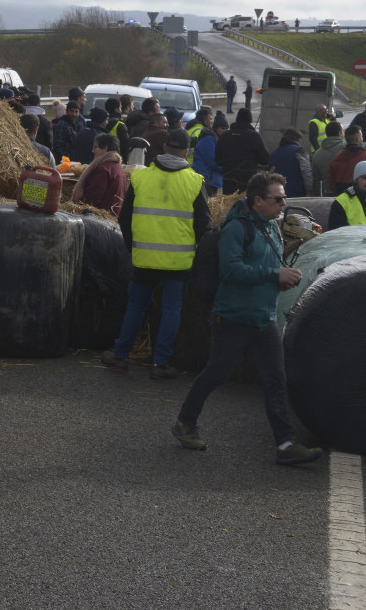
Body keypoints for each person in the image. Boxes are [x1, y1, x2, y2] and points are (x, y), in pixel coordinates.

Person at [172, 172, 324, 466]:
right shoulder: (236, 228)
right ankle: (185, 423)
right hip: (233, 317)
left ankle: (285, 444)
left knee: (276, 380)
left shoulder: (271, 227)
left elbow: (264, 267)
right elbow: (232, 271)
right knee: (217, 373)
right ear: (258, 201)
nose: (283, 204)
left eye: (283, 198)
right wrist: (274, 276)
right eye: (277, 199)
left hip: (263, 318)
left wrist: (281, 280)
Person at [102, 129, 210, 378]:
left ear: (163, 148)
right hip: (178, 260)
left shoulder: (141, 177)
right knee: (172, 309)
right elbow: (204, 225)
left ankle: (121, 355)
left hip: (144, 258)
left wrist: (133, 247)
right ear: (186, 152)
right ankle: (160, 364)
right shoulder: (195, 181)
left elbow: (124, 219)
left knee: (136, 306)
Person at [215, 107, 268, 194]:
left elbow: (218, 160)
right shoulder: (254, 136)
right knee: (246, 201)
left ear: (237, 119)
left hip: (228, 179)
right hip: (248, 180)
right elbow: (265, 159)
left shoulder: (225, 136)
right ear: (250, 120)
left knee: (229, 202)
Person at [71, 133, 125, 214]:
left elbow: (92, 198)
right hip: (112, 216)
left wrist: (78, 205)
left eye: (95, 147)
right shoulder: (118, 167)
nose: (92, 151)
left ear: (105, 148)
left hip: (99, 218)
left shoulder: (103, 169)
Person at [267, 128, 312, 198]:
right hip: (296, 193)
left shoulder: (274, 153)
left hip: (277, 194)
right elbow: (306, 172)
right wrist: (309, 191)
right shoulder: (299, 150)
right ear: (297, 139)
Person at [191, 112, 222, 196]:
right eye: (222, 128)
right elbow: (212, 162)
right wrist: (226, 169)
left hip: (208, 178)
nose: (225, 131)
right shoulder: (208, 139)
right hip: (206, 178)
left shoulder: (213, 138)